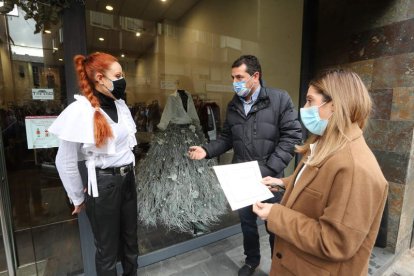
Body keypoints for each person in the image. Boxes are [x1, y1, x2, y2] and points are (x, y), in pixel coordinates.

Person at [253, 69, 388, 276]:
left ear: (334, 105)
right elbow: (319, 184)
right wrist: (284, 182)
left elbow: (334, 242)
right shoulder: (327, 143)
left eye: (309, 101)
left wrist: (275, 214)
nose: (304, 108)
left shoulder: (354, 168)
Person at [188, 55, 302, 276]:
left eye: (239, 77)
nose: (234, 82)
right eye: (232, 77)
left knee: (274, 226)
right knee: (247, 225)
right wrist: (207, 150)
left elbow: (292, 137)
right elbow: (226, 138)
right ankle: (252, 261)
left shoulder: (279, 99)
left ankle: (278, 267)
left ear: (255, 76)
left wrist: (269, 169)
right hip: (241, 177)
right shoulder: (233, 105)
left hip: (269, 178)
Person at [49, 52, 138, 275]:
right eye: (117, 75)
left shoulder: (121, 107)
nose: (122, 79)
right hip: (104, 185)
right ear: (100, 78)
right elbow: (65, 160)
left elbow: (128, 147)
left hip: (128, 180)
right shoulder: (81, 110)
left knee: (131, 242)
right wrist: (77, 196)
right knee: (107, 251)